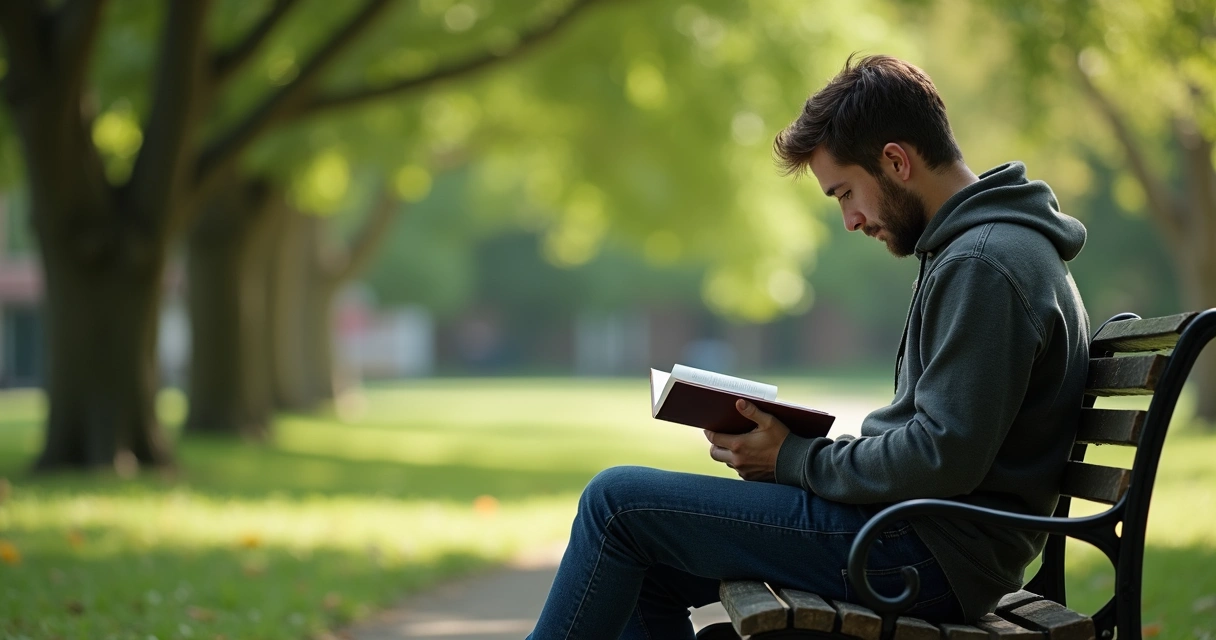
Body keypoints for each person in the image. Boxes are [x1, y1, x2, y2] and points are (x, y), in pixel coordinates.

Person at [526, 54, 1090, 639]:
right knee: (643, 561)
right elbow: (944, 443)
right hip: (912, 535)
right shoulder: (982, 250)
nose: (850, 219)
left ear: (896, 161)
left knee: (616, 504)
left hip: (919, 555)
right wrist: (794, 448)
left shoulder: (983, 262)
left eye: (845, 193)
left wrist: (793, 458)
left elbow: (942, 454)